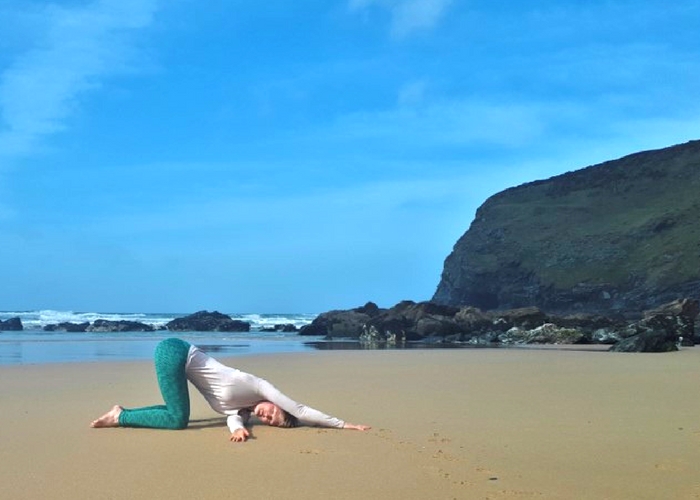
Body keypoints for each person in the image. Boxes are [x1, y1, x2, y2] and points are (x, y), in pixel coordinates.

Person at [90, 338, 369, 442]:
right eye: (274, 413)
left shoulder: (244, 411)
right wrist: (344, 424)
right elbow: (301, 410)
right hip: (175, 352)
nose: (267, 417)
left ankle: (121, 413)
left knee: (177, 414)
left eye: (270, 422)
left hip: (178, 361)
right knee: (177, 421)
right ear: (275, 403)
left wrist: (236, 430)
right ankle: (120, 417)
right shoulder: (260, 386)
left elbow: (234, 418)